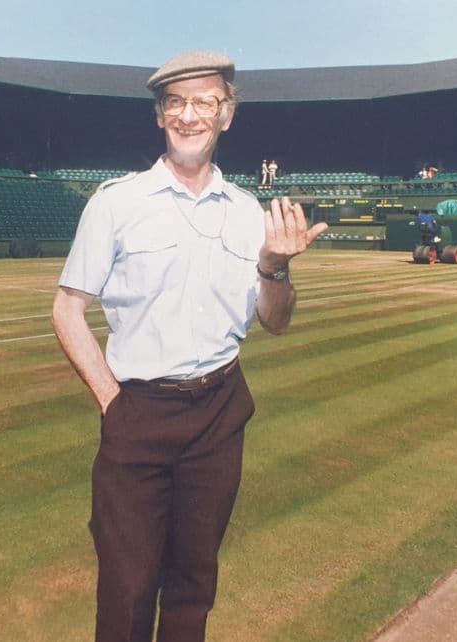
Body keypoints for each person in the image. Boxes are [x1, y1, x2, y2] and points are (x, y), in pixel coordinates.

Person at [51, 50, 327, 642]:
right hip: (139, 412)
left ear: (227, 115)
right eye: (176, 102)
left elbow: (275, 322)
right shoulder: (116, 203)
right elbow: (67, 308)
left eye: (206, 102)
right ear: (159, 115)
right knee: (126, 590)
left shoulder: (249, 213)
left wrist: (275, 267)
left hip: (220, 412)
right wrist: (113, 403)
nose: (189, 115)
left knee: (194, 584)